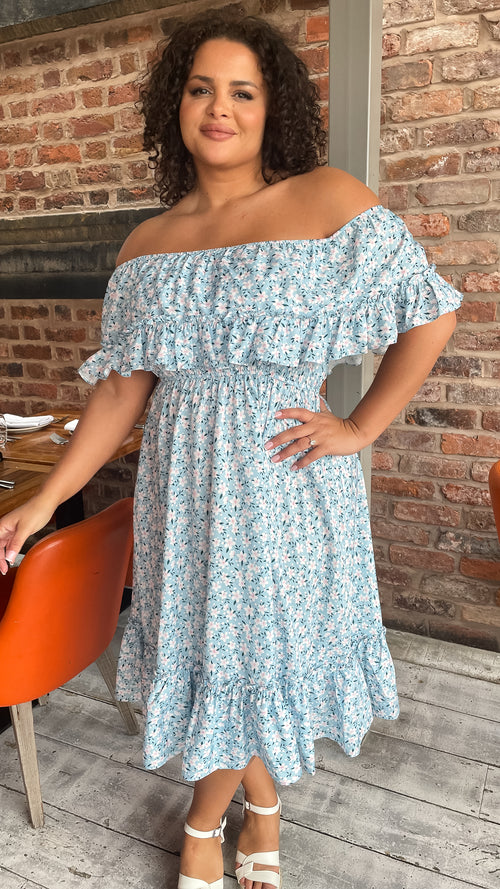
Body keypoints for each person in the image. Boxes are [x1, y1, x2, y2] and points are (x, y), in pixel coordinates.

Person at [0, 10, 462, 889]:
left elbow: (430, 312)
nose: (221, 108)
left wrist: (360, 426)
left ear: (271, 105)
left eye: (243, 92)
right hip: (185, 487)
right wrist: (44, 498)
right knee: (217, 655)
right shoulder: (146, 247)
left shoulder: (324, 199)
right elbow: (121, 393)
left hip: (286, 482)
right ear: (175, 105)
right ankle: (267, 802)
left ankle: (204, 821)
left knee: (258, 656)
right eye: (201, 88)